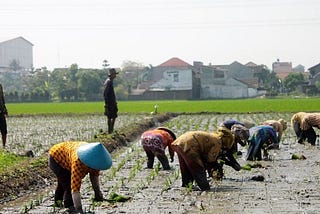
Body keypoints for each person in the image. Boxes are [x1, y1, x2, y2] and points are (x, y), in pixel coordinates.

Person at [48, 141, 112, 213]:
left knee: (62, 183)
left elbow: (94, 176)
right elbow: (75, 188)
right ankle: (69, 206)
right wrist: (79, 209)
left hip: (67, 156)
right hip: (56, 156)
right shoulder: (78, 162)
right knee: (67, 184)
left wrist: (98, 193)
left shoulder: (95, 160)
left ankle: (57, 203)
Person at [172, 127, 241, 191]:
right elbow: (211, 160)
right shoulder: (218, 142)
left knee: (186, 168)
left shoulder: (212, 136)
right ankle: (205, 187)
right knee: (198, 168)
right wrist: (218, 167)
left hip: (179, 142)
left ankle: (186, 185)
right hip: (190, 144)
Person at [103, 68, 118, 134]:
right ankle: (110, 131)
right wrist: (106, 103)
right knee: (110, 117)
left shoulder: (110, 81)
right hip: (110, 103)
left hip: (112, 102)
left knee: (114, 116)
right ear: (112, 75)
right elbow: (105, 93)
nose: (115, 76)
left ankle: (111, 130)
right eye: (114, 74)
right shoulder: (108, 82)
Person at [0, 84, 8, 148]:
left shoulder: (0, 86)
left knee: (4, 131)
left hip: (1, 112)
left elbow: (2, 98)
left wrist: (5, 109)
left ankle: (4, 147)